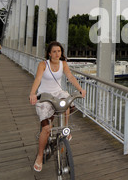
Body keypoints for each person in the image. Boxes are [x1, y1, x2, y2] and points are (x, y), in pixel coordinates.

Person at [29, 41, 86, 172]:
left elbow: (70, 77)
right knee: (46, 129)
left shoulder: (63, 64)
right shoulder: (43, 65)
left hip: (58, 93)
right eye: (54, 51)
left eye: (59, 51)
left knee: (66, 101)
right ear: (49, 53)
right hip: (45, 95)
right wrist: (33, 93)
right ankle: (39, 156)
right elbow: (37, 79)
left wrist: (80, 89)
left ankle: (66, 128)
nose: (57, 54)